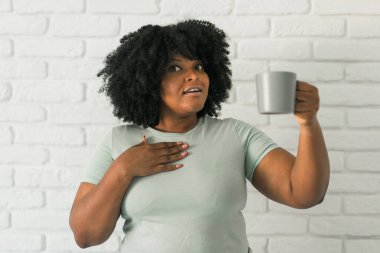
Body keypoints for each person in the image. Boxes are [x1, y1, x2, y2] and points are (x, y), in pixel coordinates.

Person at [69, 19, 330, 253]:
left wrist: (308, 124)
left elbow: (304, 194)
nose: (194, 75)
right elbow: (86, 236)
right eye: (174, 68)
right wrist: (124, 168)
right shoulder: (120, 141)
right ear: (148, 80)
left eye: (199, 66)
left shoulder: (235, 135)